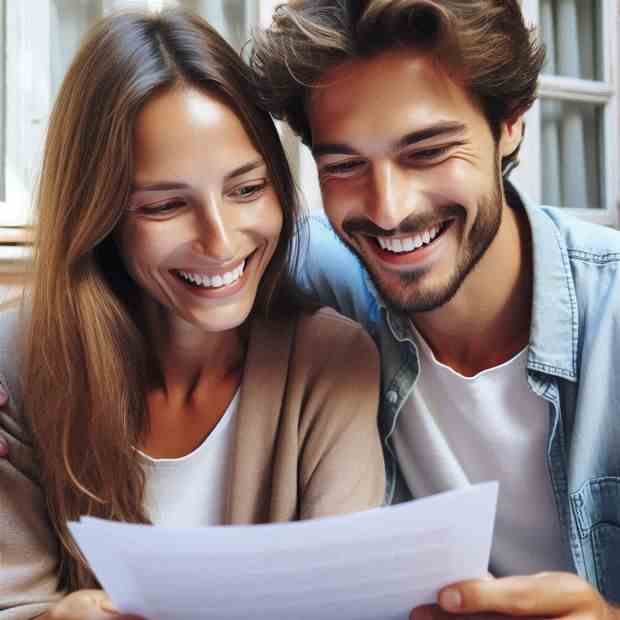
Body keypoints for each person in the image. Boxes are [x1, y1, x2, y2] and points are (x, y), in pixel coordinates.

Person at [0, 9, 385, 620]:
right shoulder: (17, 363)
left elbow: (345, 606)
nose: (221, 240)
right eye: (165, 205)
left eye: (246, 189)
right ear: (99, 216)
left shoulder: (329, 362)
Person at [250, 0, 620, 617]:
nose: (388, 209)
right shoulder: (313, 283)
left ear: (510, 125)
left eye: (427, 151)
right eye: (343, 165)